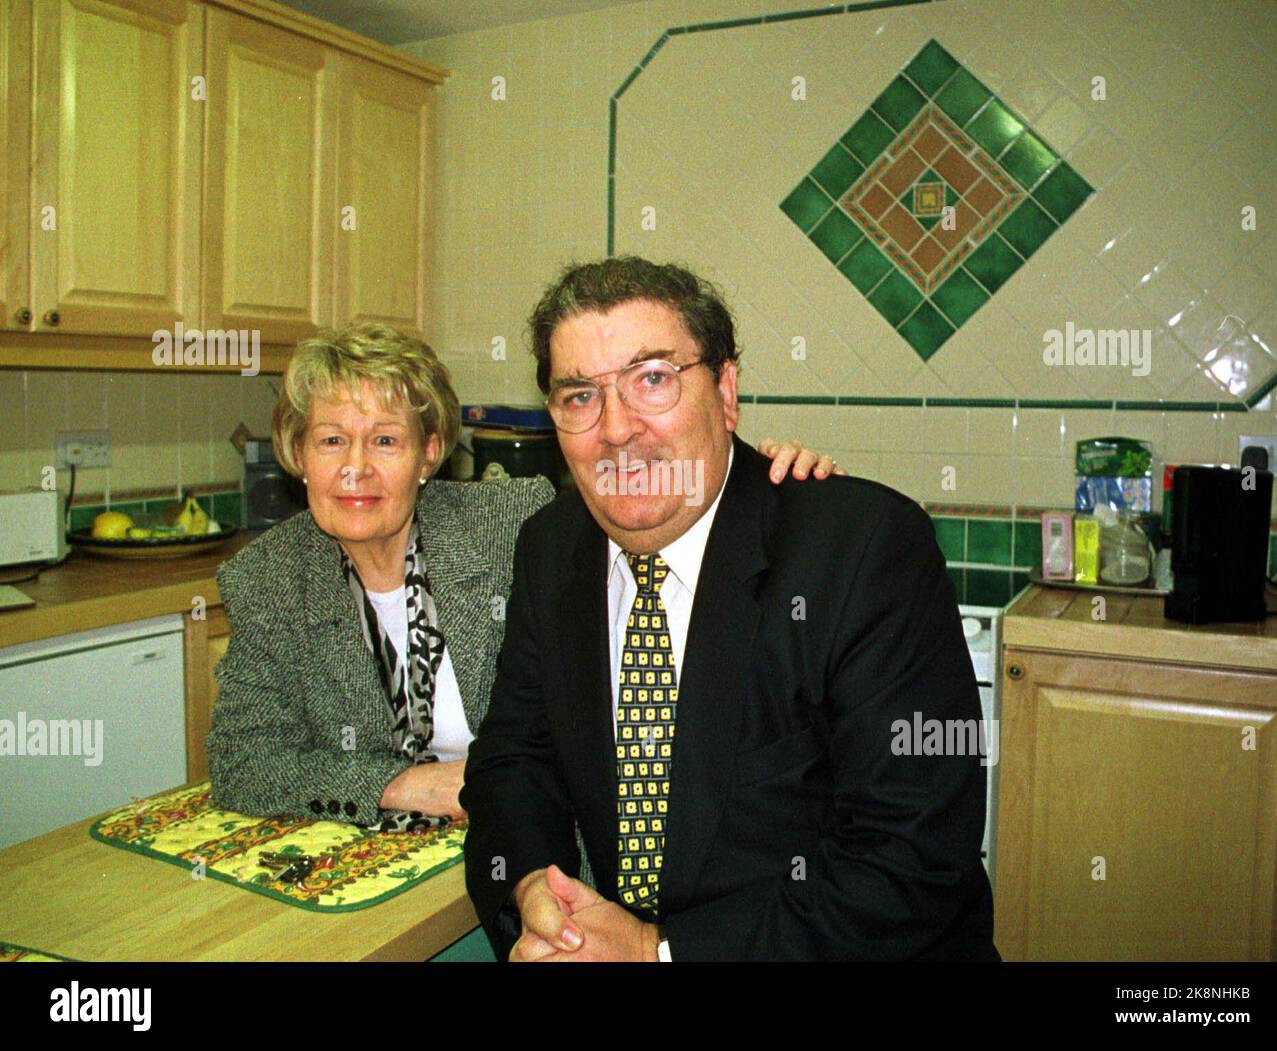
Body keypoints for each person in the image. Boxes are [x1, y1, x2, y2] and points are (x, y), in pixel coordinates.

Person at [461, 257, 998, 961]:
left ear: (726, 390)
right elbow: (513, 758)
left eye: (652, 379)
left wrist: (656, 951)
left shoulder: (861, 548)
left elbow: (913, 855)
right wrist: (533, 887)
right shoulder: (551, 549)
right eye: (579, 396)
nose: (616, 428)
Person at [205, 321, 835, 831]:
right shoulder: (270, 578)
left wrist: (761, 487)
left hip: (552, 862)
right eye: (332, 441)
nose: (356, 470)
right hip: (376, 871)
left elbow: (652, 517)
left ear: (430, 451)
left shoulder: (512, 524)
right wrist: (412, 787)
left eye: (386, 442)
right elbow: (244, 762)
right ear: (297, 453)